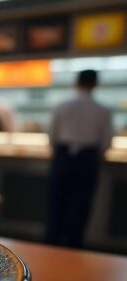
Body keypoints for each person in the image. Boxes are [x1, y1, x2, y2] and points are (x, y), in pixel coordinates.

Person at [46, 70, 112, 248]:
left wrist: (60, 151)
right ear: (95, 84)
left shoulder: (62, 105)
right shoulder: (103, 109)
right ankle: (74, 246)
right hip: (87, 159)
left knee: (56, 203)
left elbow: (51, 135)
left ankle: (51, 245)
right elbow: (106, 142)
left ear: (76, 83)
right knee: (81, 206)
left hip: (63, 156)